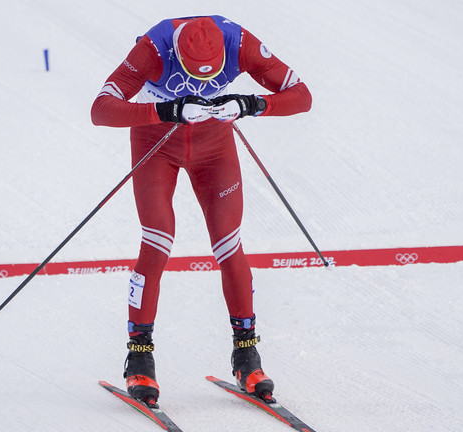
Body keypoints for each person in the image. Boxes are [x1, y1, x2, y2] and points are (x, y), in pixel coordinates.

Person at [90, 15, 311, 406]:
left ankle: (247, 354)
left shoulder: (238, 41)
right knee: (157, 239)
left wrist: (251, 104)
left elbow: (302, 96)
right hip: (156, 141)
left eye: (213, 79)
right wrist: (167, 111)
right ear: (178, 53)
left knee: (228, 242)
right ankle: (139, 356)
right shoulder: (153, 48)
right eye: (196, 76)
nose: (206, 85)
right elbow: (102, 109)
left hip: (214, 145)